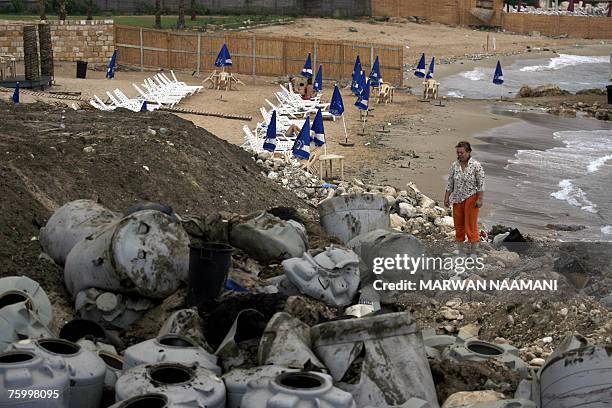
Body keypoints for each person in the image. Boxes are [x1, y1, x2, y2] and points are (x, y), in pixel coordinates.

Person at [444, 141, 485, 256]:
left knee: (470, 225)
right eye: (458, 152)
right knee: (458, 224)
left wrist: (480, 199)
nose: (459, 154)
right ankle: (460, 250)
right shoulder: (454, 165)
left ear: (468, 152)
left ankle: (473, 251)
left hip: (471, 197)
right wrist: (446, 198)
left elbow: (481, 184)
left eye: (462, 152)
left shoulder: (476, 166)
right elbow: (450, 183)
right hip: (457, 199)